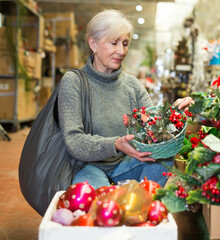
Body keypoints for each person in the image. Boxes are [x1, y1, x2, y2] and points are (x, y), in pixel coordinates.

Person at [58, 9, 194, 190]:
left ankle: (141, 201)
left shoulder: (132, 85)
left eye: (125, 43)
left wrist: (176, 114)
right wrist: (115, 144)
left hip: (126, 165)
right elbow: (74, 142)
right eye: (114, 43)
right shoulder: (74, 82)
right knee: (101, 203)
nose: (121, 51)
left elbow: (153, 128)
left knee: (164, 158)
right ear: (93, 44)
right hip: (89, 167)